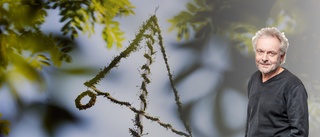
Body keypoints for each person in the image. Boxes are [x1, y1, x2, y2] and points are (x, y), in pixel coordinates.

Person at [245, 27, 309, 137]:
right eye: (260, 51)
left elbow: (300, 134)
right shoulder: (254, 79)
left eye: (271, 53)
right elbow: (250, 123)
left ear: (282, 56)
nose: (264, 58)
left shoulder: (293, 87)